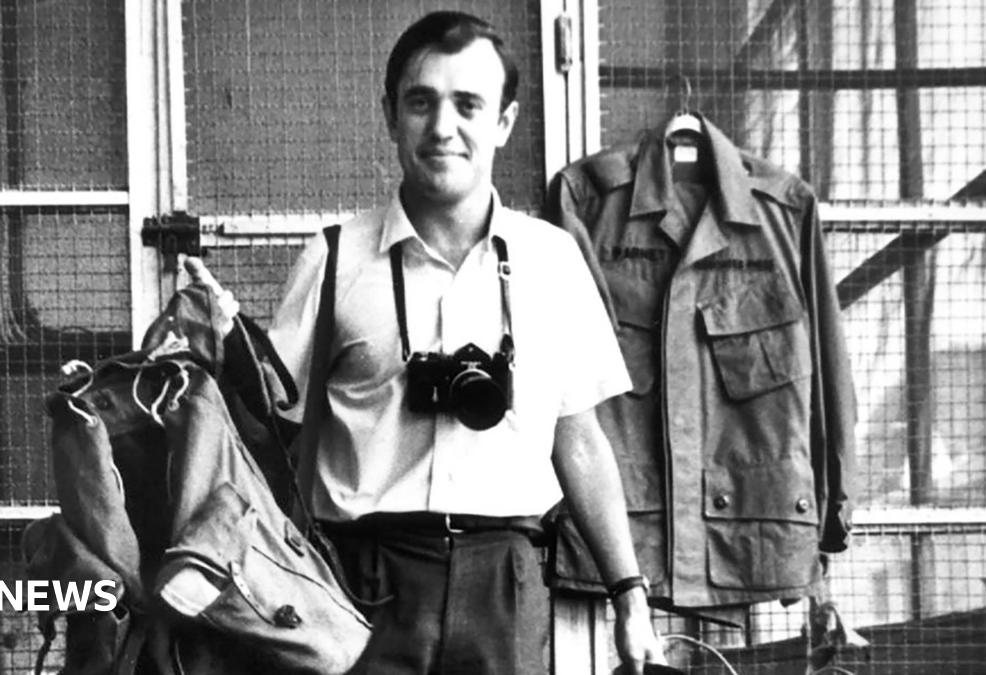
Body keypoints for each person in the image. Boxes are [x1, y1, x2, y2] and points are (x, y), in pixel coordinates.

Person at [185, 10, 665, 674]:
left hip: (506, 582)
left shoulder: (552, 260)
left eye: (468, 104)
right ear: (390, 116)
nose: (443, 127)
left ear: (504, 121)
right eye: (421, 102)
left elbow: (579, 439)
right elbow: (275, 422)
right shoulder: (334, 258)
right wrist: (223, 350)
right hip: (360, 582)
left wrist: (630, 597)